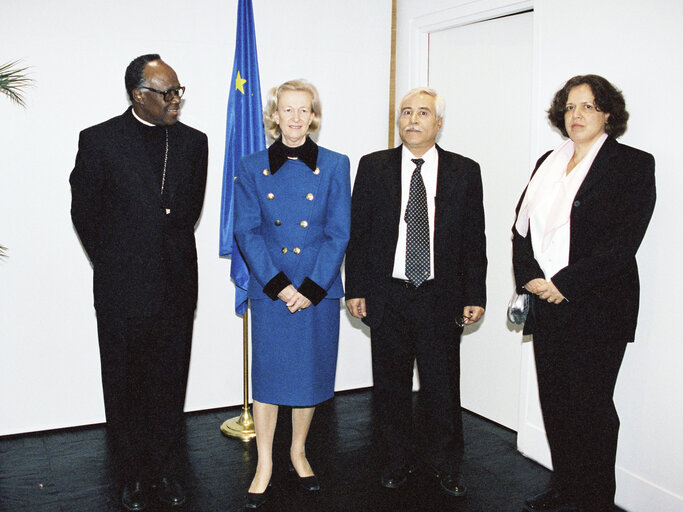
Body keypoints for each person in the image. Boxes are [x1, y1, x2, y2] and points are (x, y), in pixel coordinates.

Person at [70, 54, 208, 511]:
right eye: (166, 93)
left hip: (175, 286)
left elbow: (188, 213)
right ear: (138, 95)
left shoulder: (194, 142)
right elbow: (84, 214)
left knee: (169, 386)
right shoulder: (99, 140)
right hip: (122, 290)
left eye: (178, 91)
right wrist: (113, 263)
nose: (176, 101)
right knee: (125, 389)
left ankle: (165, 472)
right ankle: (129, 475)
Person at [512, 75, 656, 512]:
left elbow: (623, 242)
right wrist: (531, 277)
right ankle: (566, 490)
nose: (577, 115)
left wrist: (565, 285)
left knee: (591, 409)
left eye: (588, 107)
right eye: (571, 107)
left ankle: (595, 501)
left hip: (598, 307)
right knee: (556, 405)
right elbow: (520, 229)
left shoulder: (632, 164)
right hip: (546, 304)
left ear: (608, 113)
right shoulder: (547, 161)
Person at [345, 87, 487, 497]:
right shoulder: (373, 167)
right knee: (390, 386)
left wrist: (474, 293)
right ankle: (394, 461)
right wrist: (355, 287)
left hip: (440, 296)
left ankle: (446, 465)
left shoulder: (465, 171)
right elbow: (360, 233)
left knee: (442, 387)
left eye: (423, 112)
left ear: (438, 123)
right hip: (387, 294)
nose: (413, 119)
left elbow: (473, 239)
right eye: (406, 111)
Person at [233, 79, 350, 509]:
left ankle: (298, 452)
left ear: (313, 115)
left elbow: (339, 232)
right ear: (274, 115)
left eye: (304, 110)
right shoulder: (250, 167)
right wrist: (280, 287)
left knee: (308, 377)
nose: (296, 118)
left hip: (316, 289)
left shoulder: (336, 165)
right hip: (272, 290)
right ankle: (264, 462)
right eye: (288, 110)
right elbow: (246, 230)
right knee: (268, 378)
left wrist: (311, 289)